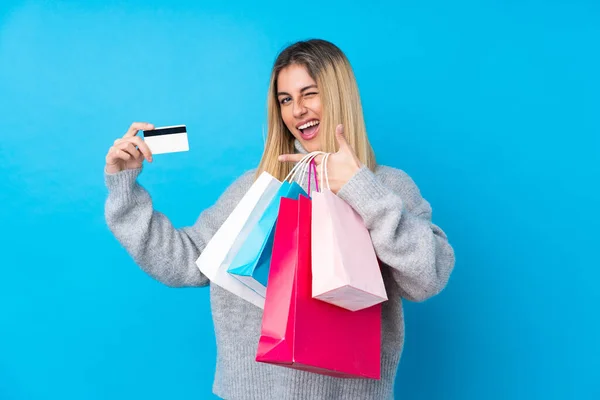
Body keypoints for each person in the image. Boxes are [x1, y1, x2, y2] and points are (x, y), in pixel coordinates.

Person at [104, 39, 455, 400]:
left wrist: (359, 187)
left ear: (339, 96)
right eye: (286, 100)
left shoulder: (385, 186)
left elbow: (428, 278)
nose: (297, 110)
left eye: (309, 94)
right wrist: (125, 191)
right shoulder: (258, 187)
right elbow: (186, 263)